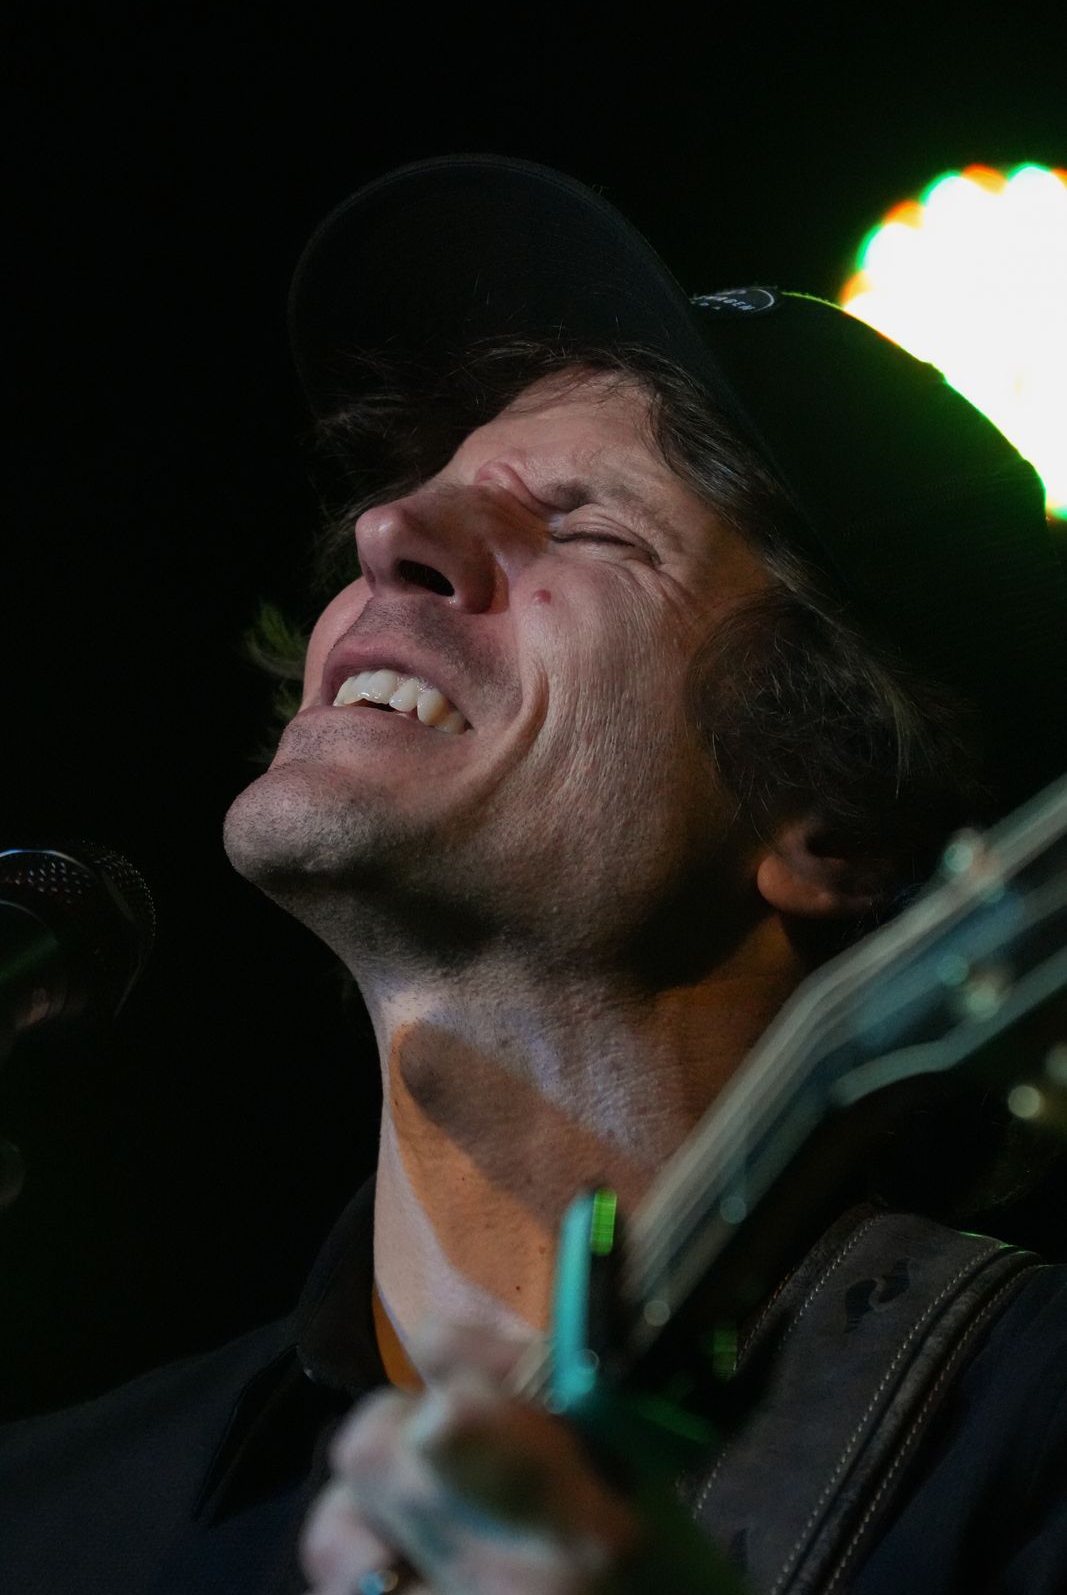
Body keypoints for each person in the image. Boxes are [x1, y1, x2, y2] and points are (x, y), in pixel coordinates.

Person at [2, 155, 1065, 1595]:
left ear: (835, 822)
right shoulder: (52, 1519)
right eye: (416, 490)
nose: (387, 531)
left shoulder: (1026, 1438)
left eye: (586, 526)